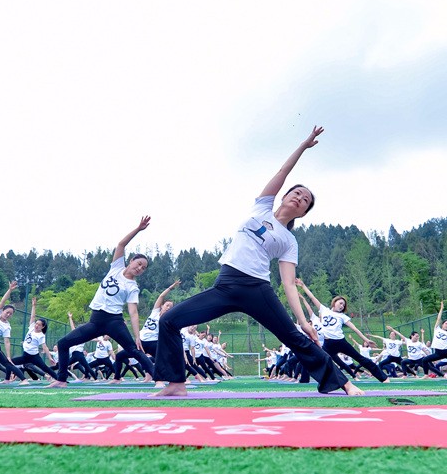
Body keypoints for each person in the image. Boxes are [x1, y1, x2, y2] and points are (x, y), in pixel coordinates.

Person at [154, 127, 362, 397]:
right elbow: (281, 173)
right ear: (285, 196)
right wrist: (302, 146)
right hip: (226, 284)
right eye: (296, 193)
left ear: (304, 211)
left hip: (257, 289)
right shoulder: (261, 207)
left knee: (294, 337)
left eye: (305, 200)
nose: (299, 198)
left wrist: (304, 321)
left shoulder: (289, 241)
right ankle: (176, 384)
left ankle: (344, 383)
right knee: (169, 320)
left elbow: (288, 284)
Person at [49, 218, 157, 388]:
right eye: (139, 263)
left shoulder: (132, 286)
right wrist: (138, 229)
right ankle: (61, 380)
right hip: (95, 321)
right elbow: (121, 245)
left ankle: (158, 379)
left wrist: (137, 336)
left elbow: (133, 312)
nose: (140, 268)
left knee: (133, 350)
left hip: (114, 321)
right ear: (131, 261)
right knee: (63, 344)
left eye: (143, 268)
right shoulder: (116, 268)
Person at [297, 278, 388, 383]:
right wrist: (303, 285)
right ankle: (312, 381)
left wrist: (366, 340)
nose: (342, 306)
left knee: (359, 358)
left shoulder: (342, 316)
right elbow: (312, 297)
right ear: (334, 302)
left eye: (343, 305)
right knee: (319, 359)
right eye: (340, 303)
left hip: (340, 342)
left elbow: (354, 328)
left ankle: (384, 378)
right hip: (327, 344)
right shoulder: (324, 309)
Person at [9, 296, 58, 381]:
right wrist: (34, 306)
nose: (36, 325)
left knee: (45, 368)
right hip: (25, 355)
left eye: (39, 325)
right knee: (10, 362)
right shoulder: (32, 327)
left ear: (42, 327)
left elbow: (45, 347)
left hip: (34, 356)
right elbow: (32, 317)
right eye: (36, 323)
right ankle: (7, 379)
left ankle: (59, 379)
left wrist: (50, 358)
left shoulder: (41, 335)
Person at [418, 301, 447, 378]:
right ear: (442, 324)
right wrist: (441, 308)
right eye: (446, 324)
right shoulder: (437, 329)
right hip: (438, 352)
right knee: (425, 360)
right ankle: (426, 375)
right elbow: (438, 318)